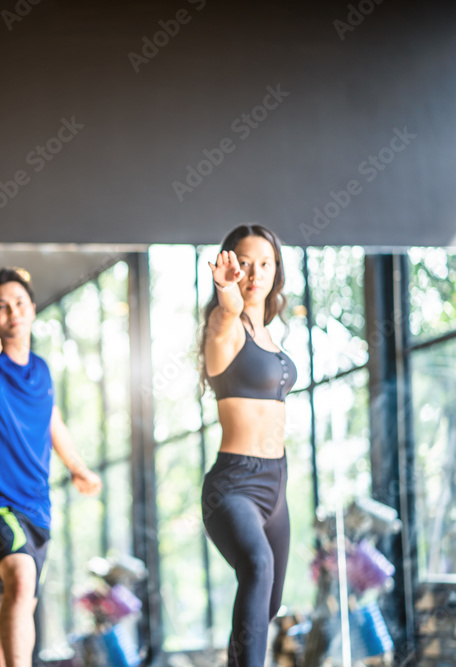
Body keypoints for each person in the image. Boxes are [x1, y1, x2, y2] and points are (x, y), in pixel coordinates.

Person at [0, 268, 103, 667]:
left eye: (19, 303)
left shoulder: (41, 369)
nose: (12, 312)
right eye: (1, 308)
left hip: (37, 508)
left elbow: (52, 420)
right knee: (21, 584)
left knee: (17, 599)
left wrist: (78, 467)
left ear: (33, 309)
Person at [199, 225, 297, 667]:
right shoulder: (225, 328)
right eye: (245, 262)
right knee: (256, 567)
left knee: (268, 604)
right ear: (229, 266)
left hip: (276, 484)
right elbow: (228, 310)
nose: (255, 272)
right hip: (234, 485)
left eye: (266, 263)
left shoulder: (271, 334)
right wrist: (225, 291)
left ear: (276, 270)